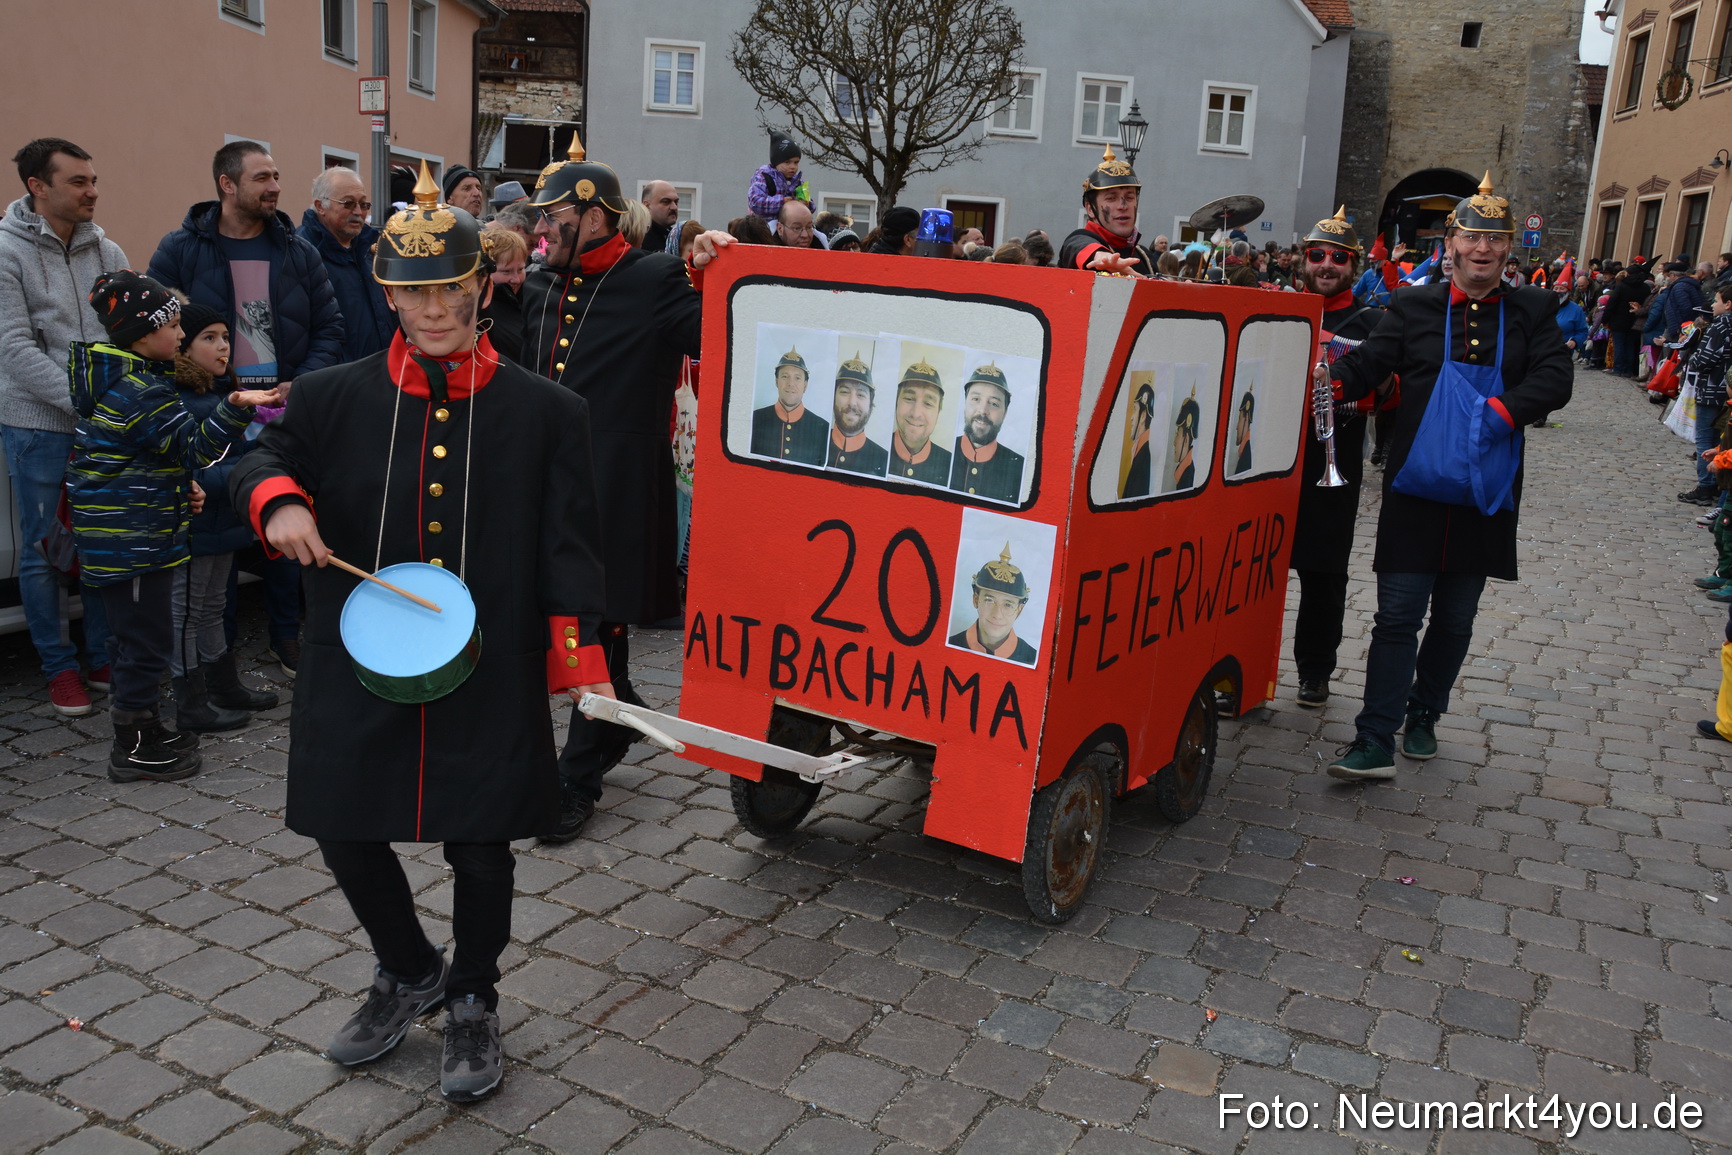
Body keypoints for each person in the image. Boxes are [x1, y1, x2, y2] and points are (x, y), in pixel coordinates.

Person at [229, 163, 613, 1102]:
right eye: (413, 292)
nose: (433, 308)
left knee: (481, 844)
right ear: (387, 292)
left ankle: (475, 991)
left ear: (483, 286)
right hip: (356, 658)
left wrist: (580, 669)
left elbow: (569, 548)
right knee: (340, 823)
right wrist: (277, 502)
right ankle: (408, 968)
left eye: (450, 288)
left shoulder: (549, 411)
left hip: (491, 664)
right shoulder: (328, 397)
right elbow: (259, 456)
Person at [1322, 174, 1572, 781]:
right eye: (1472, 237)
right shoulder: (1413, 305)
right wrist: (1328, 384)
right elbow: (1369, 366)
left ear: (1509, 249)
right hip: (1416, 488)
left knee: (1456, 619)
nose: (1482, 249)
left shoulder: (1535, 309)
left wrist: (1500, 414)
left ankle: (1426, 712)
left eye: (1495, 239)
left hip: (1487, 488)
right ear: (1451, 243)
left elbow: (1555, 378)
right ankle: (1374, 737)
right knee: (1397, 617)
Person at [518, 134, 731, 841]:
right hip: (546, 481)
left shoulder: (653, 279)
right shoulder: (543, 282)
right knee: (568, 617)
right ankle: (619, 711)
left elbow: (718, 340)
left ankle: (579, 772)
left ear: (598, 217)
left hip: (615, 482)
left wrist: (716, 273)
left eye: (554, 219)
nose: (542, 230)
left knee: (592, 618)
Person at [70, 272, 277, 779]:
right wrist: (233, 407)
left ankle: (143, 728)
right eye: (176, 325)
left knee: (132, 642)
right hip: (134, 542)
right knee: (145, 643)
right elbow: (194, 446)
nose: (182, 336)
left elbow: (136, 459)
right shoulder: (141, 389)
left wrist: (178, 484)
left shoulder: (126, 381)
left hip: (127, 534)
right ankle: (135, 749)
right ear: (145, 332)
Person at [148, 140, 344, 680]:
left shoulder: (298, 250)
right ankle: (216, 660)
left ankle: (288, 637)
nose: (275, 186)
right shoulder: (180, 249)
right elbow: (154, 336)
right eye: (262, 177)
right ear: (227, 185)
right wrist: (202, 385)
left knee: (283, 521)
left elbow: (330, 327)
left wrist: (297, 385)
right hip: (213, 412)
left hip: (284, 412)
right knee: (216, 537)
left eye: (277, 175)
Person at [0, 137, 123, 715]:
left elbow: (130, 334)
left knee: (97, 542)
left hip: (100, 423)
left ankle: (101, 657)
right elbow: (15, 348)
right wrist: (84, 402)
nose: (92, 191)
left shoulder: (110, 252)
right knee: (44, 549)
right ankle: (58, 667)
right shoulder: (6, 252)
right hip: (37, 426)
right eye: (78, 182)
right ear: (38, 187)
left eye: (93, 179)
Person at [1289, 208, 1396, 707]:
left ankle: (1315, 671)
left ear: (1354, 266)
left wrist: (1349, 386)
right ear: (1303, 260)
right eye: (1318, 255)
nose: (1326, 264)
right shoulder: (1277, 308)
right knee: (1254, 568)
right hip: (1268, 456)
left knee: (1324, 570)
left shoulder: (1374, 322)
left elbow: (1394, 392)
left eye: (1338, 257)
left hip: (1335, 453)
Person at [169, 301, 280, 733]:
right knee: (187, 611)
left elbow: (239, 455)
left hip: (223, 524)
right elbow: (195, 469)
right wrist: (243, 478)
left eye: (226, 337)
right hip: (196, 525)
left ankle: (222, 684)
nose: (222, 347)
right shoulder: (181, 401)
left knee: (214, 605)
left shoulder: (221, 395)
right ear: (184, 348)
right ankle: (190, 698)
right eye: (208, 338)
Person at [298, 166, 393, 361]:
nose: (358, 212)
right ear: (320, 206)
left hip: (381, 372)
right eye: (348, 203)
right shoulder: (300, 253)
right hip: (334, 380)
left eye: (364, 204)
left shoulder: (372, 248)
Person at [1059, 145, 1154, 276]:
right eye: (1111, 198)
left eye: (1130, 197)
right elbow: (1078, 247)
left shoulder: (1144, 256)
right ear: (1090, 209)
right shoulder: (1078, 239)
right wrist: (1101, 257)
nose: (1123, 205)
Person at [947, 362, 1023, 501]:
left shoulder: (1019, 469)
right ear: (965, 403)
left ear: (1005, 413)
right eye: (976, 399)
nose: (982, 410)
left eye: (994, 403)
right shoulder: (941, 452)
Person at [949, 545, 1036, 664]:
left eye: (1008, 605)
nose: (997, 615)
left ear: (1019, 611)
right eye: (989, 600)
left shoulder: (1033, 660)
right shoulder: (950, 646)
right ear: (975, 599)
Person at [750, 346, 828, 463]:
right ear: (776, 381)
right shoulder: (754, 419)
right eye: (785, 376)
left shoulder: (823, 429)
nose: (791, 383)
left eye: (797, 378)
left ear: (805, 385)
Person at [889, 360, 951, 483]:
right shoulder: (874, 453)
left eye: (928, 403)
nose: (916, 413)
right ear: (896, 402)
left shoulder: (950, 466)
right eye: (909, 398)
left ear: (939, 411)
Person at [826, 355, 887, 475]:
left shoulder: (883, 460)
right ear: (833, 397)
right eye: (844, 392)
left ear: (870, 403)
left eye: (860, 395)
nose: (852, 403)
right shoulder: (814, 442)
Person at [478, 223, 527, 363]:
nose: (516, 279)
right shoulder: (481, 314)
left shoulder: (534, 300)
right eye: (506, 271)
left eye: (521, 269)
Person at [748, 132, 807, 223]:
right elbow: (755, 202)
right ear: (776, 162)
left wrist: (806, 204)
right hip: (765, 226)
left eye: (796, 162)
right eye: (787, 162)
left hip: (791, 227)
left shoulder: (799, 181)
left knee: (819, 236)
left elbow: (810, 204)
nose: (793, 167)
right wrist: (781, 202)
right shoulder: (763, 177)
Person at [1121, 382, 1154, 498]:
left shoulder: (1143, 456)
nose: (1131, 417)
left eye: (1135, 410)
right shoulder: (1140, 452)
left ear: (1143, 416)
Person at [1170, 391, 1200, 490]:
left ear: (1186, 439)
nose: (1174, 442)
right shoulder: (1185, 471)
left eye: (1177, 435)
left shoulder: (1187, 476)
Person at [640, 181, 679, 253]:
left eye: (676, 202)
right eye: (666, 202)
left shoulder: (677, 237)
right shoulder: (638, 238)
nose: (674, 207)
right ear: (647, 205)